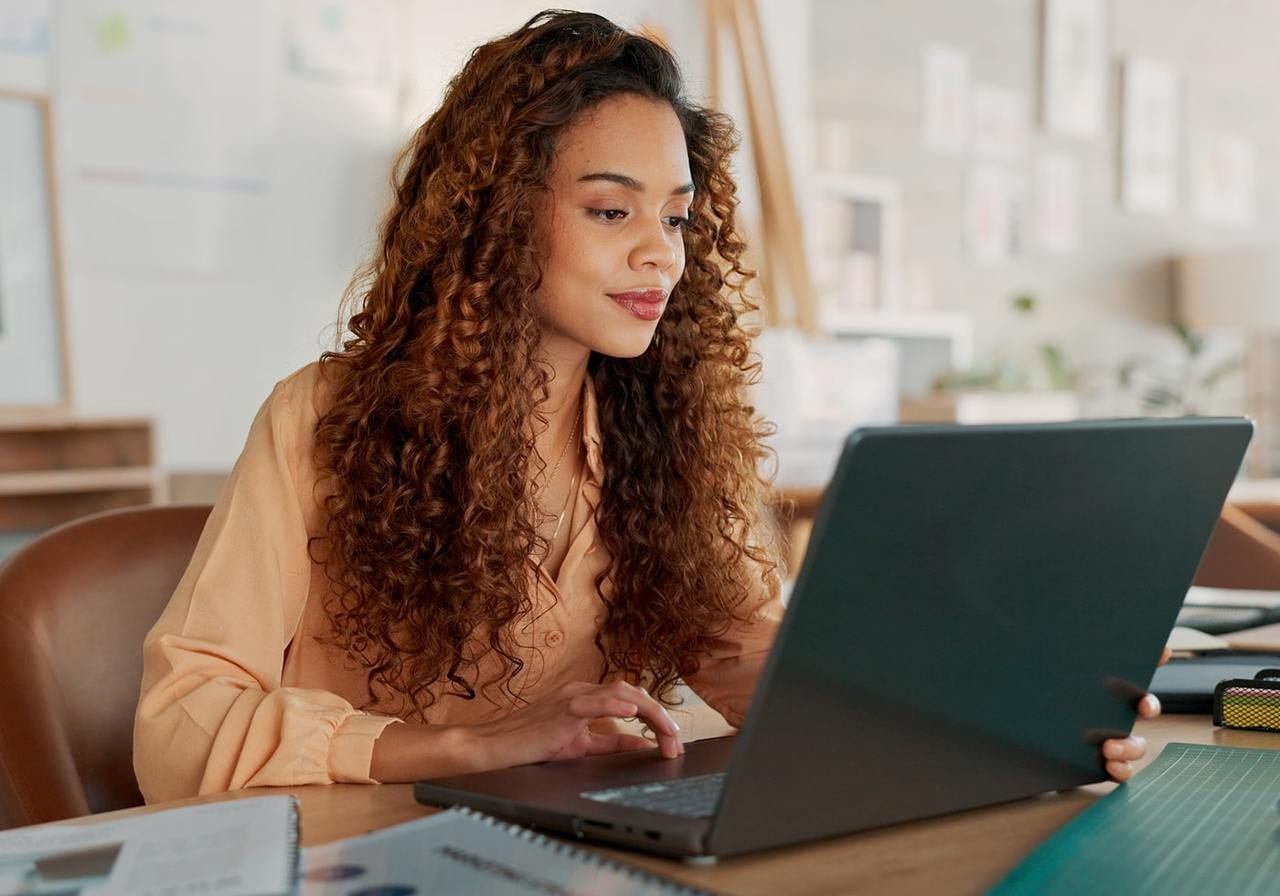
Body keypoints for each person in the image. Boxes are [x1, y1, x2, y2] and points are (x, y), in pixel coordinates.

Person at [133, 10, 1157, 803]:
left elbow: (752, 658)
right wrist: (463, 744)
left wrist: (988, 718)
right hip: (371, 849)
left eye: (674, 216)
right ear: (496, 219)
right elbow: (179, 724)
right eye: (610, 210)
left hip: (582, 847)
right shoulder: (324, 416)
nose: (658, 252)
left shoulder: (659, 429)